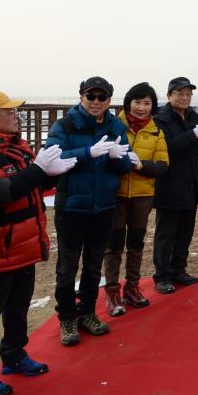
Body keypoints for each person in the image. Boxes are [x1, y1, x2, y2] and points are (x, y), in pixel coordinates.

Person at [0, 91, 76, 395]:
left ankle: (14, 354)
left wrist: (53, 174)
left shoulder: (16, 147)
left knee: (19, 304)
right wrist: (38, 170)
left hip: (24, 241)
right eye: (9, 112)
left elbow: (31, 185)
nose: (16, 116)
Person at [45, 77, 133, 347]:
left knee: (94, 264)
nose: (96, 102)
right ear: (81, 96)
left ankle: (88, 313)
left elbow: (126, 165)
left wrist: (120, 158)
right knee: (67, 266)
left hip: (104, 205)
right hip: (71, 206)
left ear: (109, 100)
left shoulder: (116, 125)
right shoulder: (65, 125)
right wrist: (88, 152)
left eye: (102, 97)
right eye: (91, 96)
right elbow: (52, 157)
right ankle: (67, 318)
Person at [102, 83, 169, 317]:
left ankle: (132, 286)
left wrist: (141, 166)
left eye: (147, 103)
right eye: (137, 102)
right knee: (114, 245)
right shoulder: (113, 127)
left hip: (143, 195)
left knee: (137, 243)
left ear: (153, 106)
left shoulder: (156, 131)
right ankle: (112, 291)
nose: (141, 108)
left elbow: (162, 165)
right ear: (129, 102)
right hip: (117, 195)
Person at [152, 77, 198, 293]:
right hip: (169, 183)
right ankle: (162, 276)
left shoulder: (194, 116)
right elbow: (164, 147)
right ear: (169, 96)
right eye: (180, 94)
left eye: (188, 94)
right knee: (166, 233)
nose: (185, 98)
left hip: (191, 182)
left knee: (185, 231)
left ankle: (179, 269)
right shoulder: (160, 118)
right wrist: (191, 135)